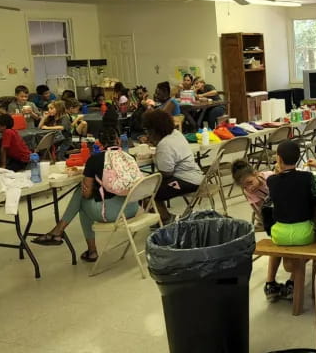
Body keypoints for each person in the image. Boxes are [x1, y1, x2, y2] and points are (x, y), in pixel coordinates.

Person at [32, 123, 142, 262]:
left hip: (113, 213)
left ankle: (65, 234)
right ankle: (62, 234)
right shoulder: (128, 157)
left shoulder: (94, 160)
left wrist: (88, 184)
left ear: (99, 143)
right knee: (82, 201)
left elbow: (86, 194)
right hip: (132, 207)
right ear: (118, 140)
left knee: (81, 201)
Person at [264, 140, 316, 301]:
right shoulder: (307, 178)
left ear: (279, 159)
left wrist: (278, 170)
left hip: (279, 234)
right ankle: (292, 283)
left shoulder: (272, 181)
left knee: (276, 241)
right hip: (303, 233)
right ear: (298, 159)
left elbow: (281, 184)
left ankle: (270, 285)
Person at [141, 109, 203, 224]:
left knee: (147, 191)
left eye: (148, 130)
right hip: (197, 176)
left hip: (186, 180)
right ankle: (164, 217)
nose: (147, 134)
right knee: (152, 186)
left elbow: (166, 173)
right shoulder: (176, 134)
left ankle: (165, 219)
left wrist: (157, 153)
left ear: (155, 130)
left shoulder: (164, 144)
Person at [232, 160, 272, 231]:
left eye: (250, 182)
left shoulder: (270, 177)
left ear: (256, 174)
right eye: (245, 187)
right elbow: (262, 209)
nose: (249, 188)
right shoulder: (248, 192)